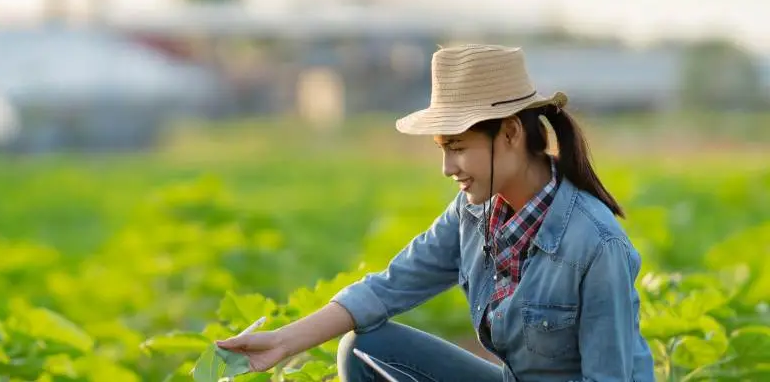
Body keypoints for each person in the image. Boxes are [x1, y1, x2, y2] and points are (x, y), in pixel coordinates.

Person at [215, 44, 655, 381]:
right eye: (444, 151)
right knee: (365, 348)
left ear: (511, 133)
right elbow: (388, 289)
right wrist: (282, 342)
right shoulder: (474, 214)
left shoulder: (595, 244)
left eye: (459, 149)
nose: (448, 169)